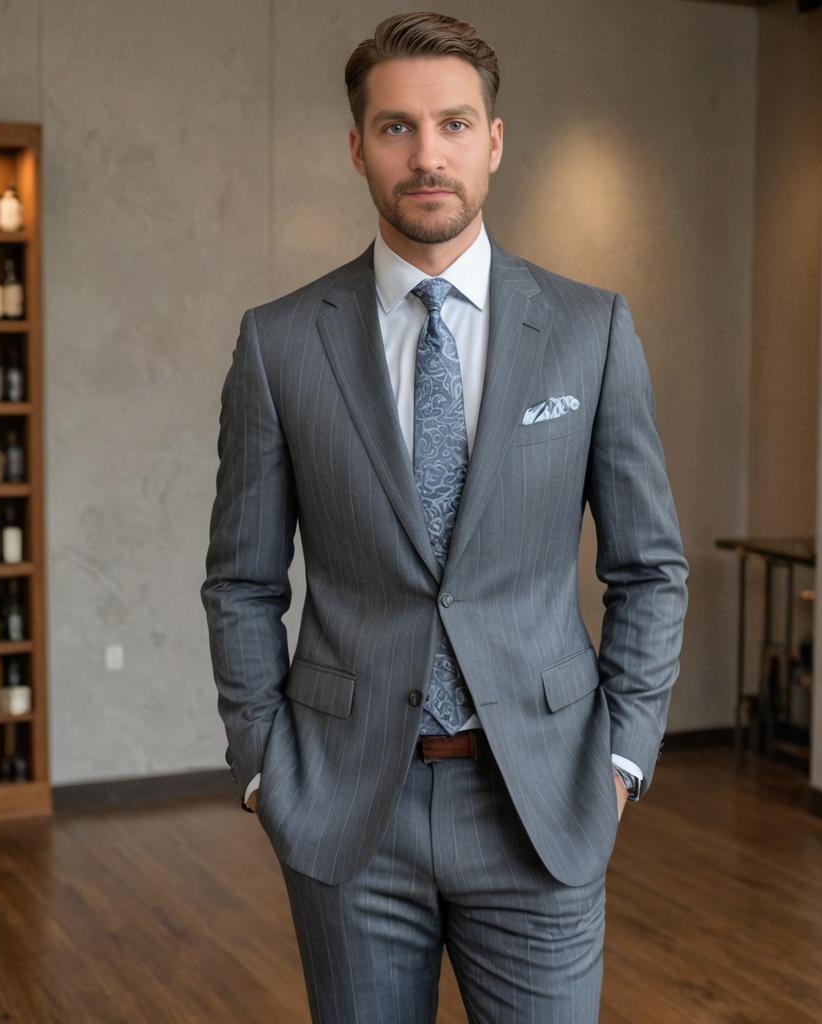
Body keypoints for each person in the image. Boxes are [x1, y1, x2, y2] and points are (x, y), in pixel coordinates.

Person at [201, 10, 689, 1022]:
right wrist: (263, 768)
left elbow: (647, 567)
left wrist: (620, 761)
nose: (428, 155)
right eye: (396, 128)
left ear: (495, 142)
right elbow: (242, 580)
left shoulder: (590, 332)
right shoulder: (280, 344)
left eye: (454, 124)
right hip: (344, 808)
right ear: (356, 147)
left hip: (544, 802)